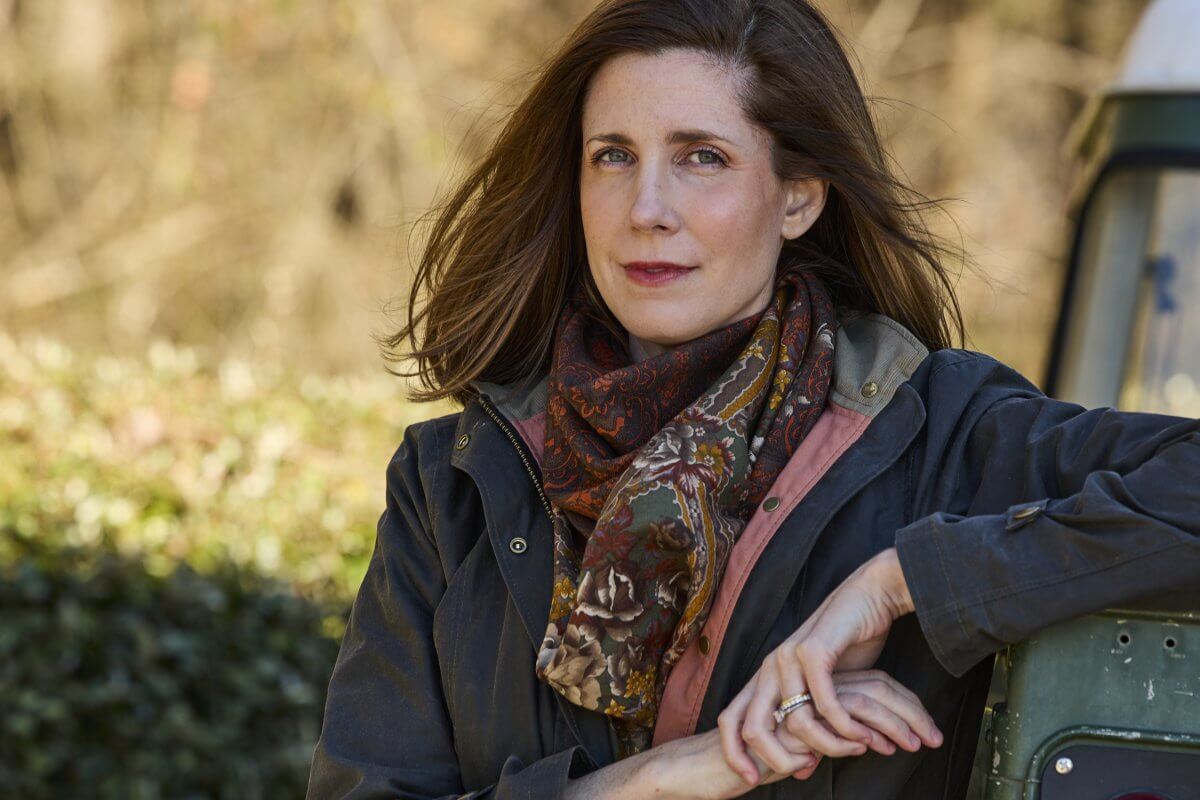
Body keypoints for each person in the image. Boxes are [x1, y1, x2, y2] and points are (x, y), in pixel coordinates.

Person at [305, 1, 1200, 798]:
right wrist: (660, 780)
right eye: (612, 156)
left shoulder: (944, 436)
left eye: (703, 158)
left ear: (799, 199)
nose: (647, 206)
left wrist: (906, 583)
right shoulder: (450, 485)